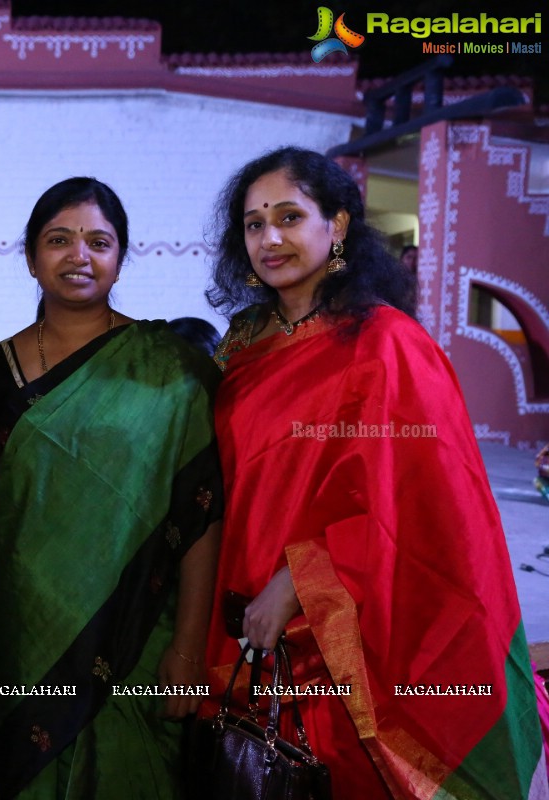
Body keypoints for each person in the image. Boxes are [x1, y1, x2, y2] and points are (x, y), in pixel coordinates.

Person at [206, 146, 547, 798]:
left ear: (335, 226)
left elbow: (428, 503)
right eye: (253, 224)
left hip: (354, 631)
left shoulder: (386, 344)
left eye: (288, 216)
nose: (269, 238)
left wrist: (300, 579)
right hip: (247, 618)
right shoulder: (245, 343)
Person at [0, 177, 223, 799]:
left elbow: (202, 514)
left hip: (135, 630)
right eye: (59, 240)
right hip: (21, 635)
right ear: (30, 256)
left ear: (120, 258)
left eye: (98, 241)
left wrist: (188, 646)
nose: (79, 255)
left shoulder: (174, 372)